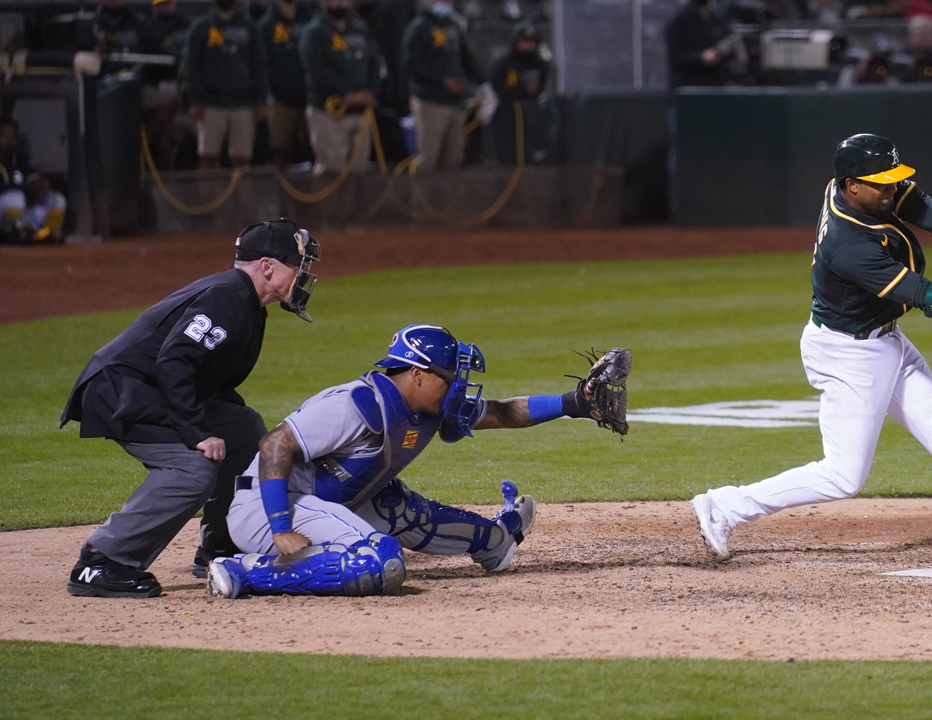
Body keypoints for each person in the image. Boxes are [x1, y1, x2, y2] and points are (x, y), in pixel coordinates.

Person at [691, 134, 932, 562]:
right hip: (848, 355)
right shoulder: (849, 245)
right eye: (881, 183)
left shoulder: (851, 192)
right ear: (852, 185)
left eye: (892, 181)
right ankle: (725, 506)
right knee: (844, 476)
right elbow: (925, 295)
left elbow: (920, 205)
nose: (891, 190)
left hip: (884, 341)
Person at [206, 325, 614, 598]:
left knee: (398, 507)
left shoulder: (429, 407)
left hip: (331, 499)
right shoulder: (356, 404)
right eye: (449, 377)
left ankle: (497, 539)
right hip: (268, 507)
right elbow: (275, 444)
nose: (457, 386)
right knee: (379, 561)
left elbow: (502, 412)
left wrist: (574, 404)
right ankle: (245, 572)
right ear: (418, 374)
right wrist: (280, 527)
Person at [61, 219, 322, 598]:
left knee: (243, 429)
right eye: (297, 267)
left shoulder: (243, 301)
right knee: (193, 469)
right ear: (267, 266)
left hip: (148, 388)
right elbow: (174, 362)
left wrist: (212, 422)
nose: (302, 277)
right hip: (122, 392)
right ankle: (102, 561)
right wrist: (196, 431)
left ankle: (222, 544)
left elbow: (204, 376)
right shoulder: (228, 297)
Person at [299, 0, 382, 175]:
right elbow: (317, 69)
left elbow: (375, 63)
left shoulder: (361, 30)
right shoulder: (315, 32)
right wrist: (346, 93)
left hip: (360, 112)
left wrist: (372, 91)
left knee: (359, 171)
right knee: (332, 171)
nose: (339, 4)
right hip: (329, 112)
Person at [184, 0, 269, 169]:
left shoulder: (249, 27)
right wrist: (194, 101)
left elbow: (259, 66)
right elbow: (191, 67)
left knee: (241, 160)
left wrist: (260, 101)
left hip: (243, 103)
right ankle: (208, 196)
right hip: (211, 103)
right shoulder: (202, 27)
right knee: (207, 158)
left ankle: (243, 195)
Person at [401, 0, 483, 170]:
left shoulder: (453, 26)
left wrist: (484, 84)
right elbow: (410, 64)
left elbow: (466, 58)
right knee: (428, 160)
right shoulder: (419, 27)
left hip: (455, 102)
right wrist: (442, 79)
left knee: (453, 160)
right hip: (429, 102)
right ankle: (420, 197)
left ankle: (447, 197)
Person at [485, 22, 551, 166]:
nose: (528, 45)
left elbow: (541, 87)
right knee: (507, 150)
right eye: (524, 41)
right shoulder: (502, 63)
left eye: (532, 42)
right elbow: (495, 87)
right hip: (506, 110)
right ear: (516, 42)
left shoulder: (540, 64)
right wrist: (522, 90)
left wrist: (532, 92)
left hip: (530, 111)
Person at [259, 0, 315, 168]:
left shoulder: (312, 20)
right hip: (280, 99)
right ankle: (280, 193)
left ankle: (319, 193)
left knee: (317, 150)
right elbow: (261, 65)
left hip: (312, 98)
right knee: (279, 152)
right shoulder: (266, 25)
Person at [143, 0, 190, 171]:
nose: (165, 7)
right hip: (154, 84)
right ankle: (142, 149)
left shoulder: (187, 25)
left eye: (168, 3)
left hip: (186, 87)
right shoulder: (146, 26)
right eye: (161, 4)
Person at [665, 0, 731, 88]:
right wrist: (700, 57)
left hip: (715, 85)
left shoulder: (717, 21)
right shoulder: (679, 23)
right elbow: (675, 56)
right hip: (689, 86)